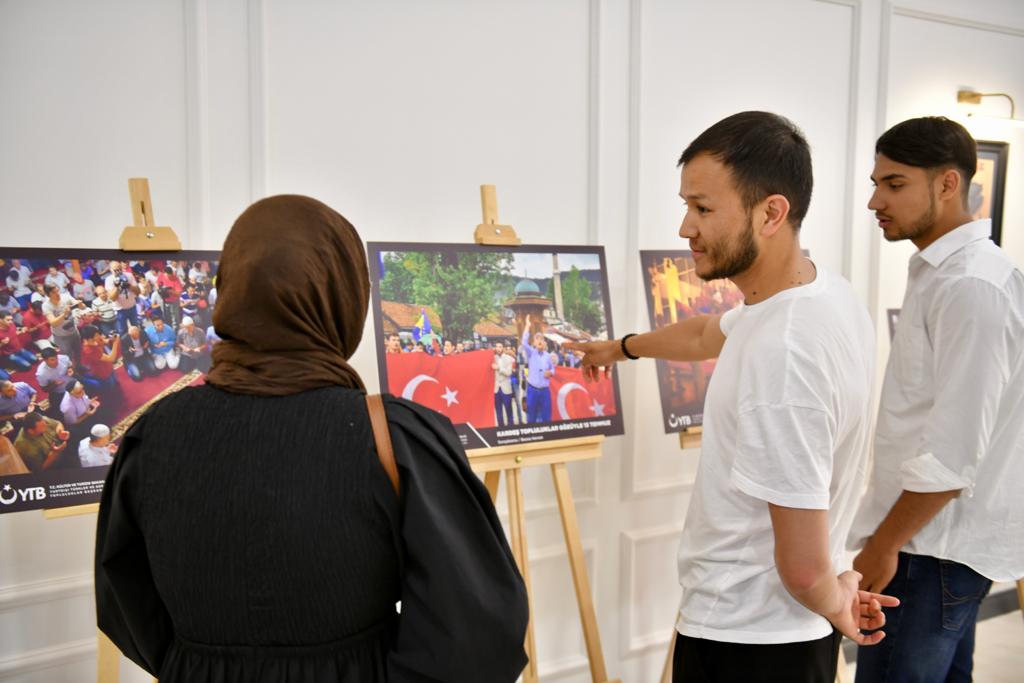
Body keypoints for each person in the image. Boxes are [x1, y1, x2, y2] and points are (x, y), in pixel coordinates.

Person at [95, 194, 529, 683]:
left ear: (230, 289)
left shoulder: (152, 435)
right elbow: (476, 628)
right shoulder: (393, 436)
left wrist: (205, 663)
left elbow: (124, 601)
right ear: (344, 296)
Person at [567, 112, 896, 682]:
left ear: (771, 212)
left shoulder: (785, 352)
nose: (684, 227)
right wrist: (619, 348)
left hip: (750, 642)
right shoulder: (819, 292)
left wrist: (837, 596)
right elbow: (705, 333)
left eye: (703, 208)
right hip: (782, 630)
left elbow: (800, 566)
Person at [848, 117, 1024, 683]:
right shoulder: (946, 274)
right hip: (933, 543)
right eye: (876, 182)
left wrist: (884, 543)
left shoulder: (970, 285)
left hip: (929, 548)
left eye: (894, 184)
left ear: (948, 184)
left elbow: (953, 451)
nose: (876, 200)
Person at [520, 316, 554, 423]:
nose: (540, 340)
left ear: (544, 343)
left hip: (544, 391)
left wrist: (551, 372)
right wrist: (527, 326)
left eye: (541, 339)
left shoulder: (548, 356)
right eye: (537, 338)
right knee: (532, 417)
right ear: (534, 343)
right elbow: (524, 342)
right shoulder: (531, 353)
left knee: (546, 417)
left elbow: (553, 369)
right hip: (532, 390)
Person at [42, 283, 82, 364]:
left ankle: (79, 366)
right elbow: (53, 323)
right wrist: (64, 314)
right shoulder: (46, 306)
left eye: (57, 291)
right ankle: (72, 372)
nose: (57, 294)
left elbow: (80, 305)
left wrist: (80, 304)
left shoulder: (66, 296)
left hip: (74, 331)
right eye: (53, 292)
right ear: (48, 294)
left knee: (78, 352)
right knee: (67, 357)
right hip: (61, 336)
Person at [79, 325, 120, 394]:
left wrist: (111, 339)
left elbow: (105, 341)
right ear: (89, 339)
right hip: (103, 374)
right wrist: (115, 343)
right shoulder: (88, 351)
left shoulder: (95, 340)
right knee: (110, 390)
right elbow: (111, 358)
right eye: (96, 335)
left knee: (115, 382)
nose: (99, 336)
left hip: (109, 367)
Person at [35, 347, 75, 414]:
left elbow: (71, 366)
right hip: (58, 392)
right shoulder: (41, 373)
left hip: (72, 383)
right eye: (52, 360)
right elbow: (44, 389)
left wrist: (71, 369)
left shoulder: (64, 358)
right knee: (58, 410)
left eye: (56, 358)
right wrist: (55, 384)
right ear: (45, 360)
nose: (56, 361)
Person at [105, 261, 141, 335]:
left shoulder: (129, 275)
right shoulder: (108, 280)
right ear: (110, 270)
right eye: (115, 270)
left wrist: (129, 285)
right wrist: (117, 287)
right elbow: (112, 298)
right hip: (120, 310)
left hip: (132, 306)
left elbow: (138, 292)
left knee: (136, 328)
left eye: (119, 269)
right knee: (122, 331)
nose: (118, 271)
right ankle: (125, 345)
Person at [492, 341, 514, 427]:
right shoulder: (492, 358)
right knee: (498, 411)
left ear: (503, 348)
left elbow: (508, 373)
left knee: (509, 410)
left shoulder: (509, 358)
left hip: (506, 388)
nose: (498, 349)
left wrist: (499, 368)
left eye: (500, 347)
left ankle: (511, 429)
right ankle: (501, 429)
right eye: (497, 347)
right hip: (496, 389)